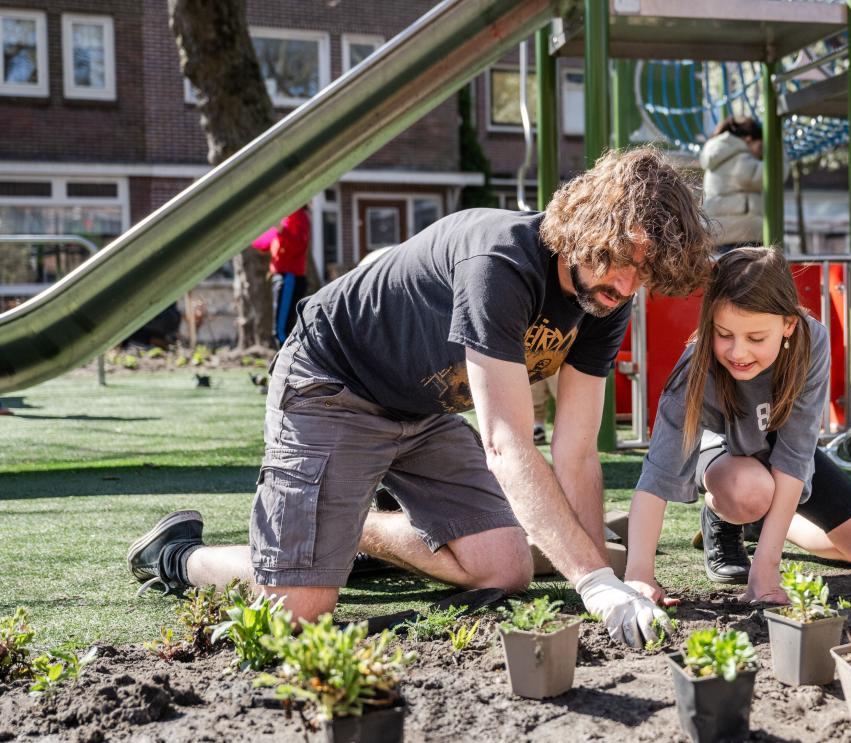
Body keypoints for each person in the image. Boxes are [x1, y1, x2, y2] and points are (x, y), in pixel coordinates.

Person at [127, 148, 714, 648]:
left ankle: (347, 525)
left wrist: (607, 574)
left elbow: (578, 451)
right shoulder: (501, 262)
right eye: (623, 260)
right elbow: (507, 443)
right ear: (588, 226)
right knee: (299, 610)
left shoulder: (603, 301)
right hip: (333, 387)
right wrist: (592, 581)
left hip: (420, 410)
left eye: (646, 273)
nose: (628, 286)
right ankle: (179, 557)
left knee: (504, 571)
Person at [623, 248, 851, 604]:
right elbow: (657, 477)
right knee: (750, 491)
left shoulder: (812, 340)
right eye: (724, 334)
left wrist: (766, 564)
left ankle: (758, 523)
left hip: (774, 450)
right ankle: (724, 516)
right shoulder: (694, 371)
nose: (738, 353)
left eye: (755, 339)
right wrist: (639, 574)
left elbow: (795, 455)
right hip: (725, 458)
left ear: (788, 325)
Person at [699, 117, 766, 252]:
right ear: (748, 140)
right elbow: (768, 175)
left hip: (719, 234)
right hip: (742, 235)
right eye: (759, 147)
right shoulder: (740, 159)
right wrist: (780, 152)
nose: (760, 153)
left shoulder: (719, 156)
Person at [251, 205, 312, 347]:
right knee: (282, 329)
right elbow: (264, 244)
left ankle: (287, 366)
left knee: (282, 331)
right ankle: (288, 366)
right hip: (281, 277)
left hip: (289, 278)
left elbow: (299, 244)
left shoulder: (298, 215)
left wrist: (281, 230)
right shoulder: (284, 215)